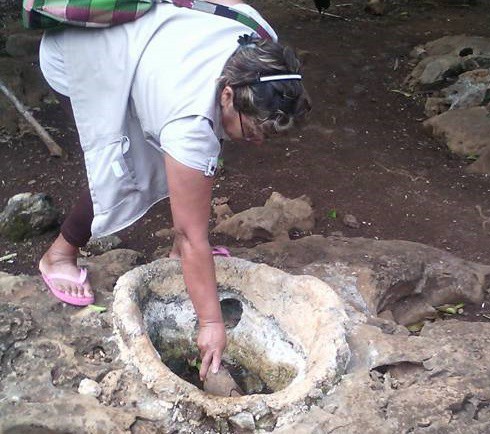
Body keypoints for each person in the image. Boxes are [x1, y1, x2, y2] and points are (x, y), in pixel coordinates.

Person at [37, 0, 311, 381]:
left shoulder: (262, 49)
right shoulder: (189, 123)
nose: (258, 143)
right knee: (122, 164)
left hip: (149, 52)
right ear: (228, 95)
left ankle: (182, 259)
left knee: (183, 167)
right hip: (83, 52)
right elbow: (190, 230)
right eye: (252, 129)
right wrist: (211, 321)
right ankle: (59, 255)